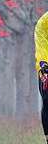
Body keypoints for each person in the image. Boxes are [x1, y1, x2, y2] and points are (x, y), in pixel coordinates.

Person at [35, 11, 48, 144]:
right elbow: (41, 47)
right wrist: (43, 64)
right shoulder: (43, 22)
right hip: (45, 67)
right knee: (47, 100)